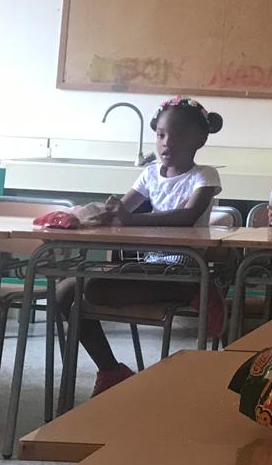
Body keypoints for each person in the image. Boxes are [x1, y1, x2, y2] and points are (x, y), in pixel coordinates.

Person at [55, 96, 224, 395]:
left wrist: (130, 218)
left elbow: (187, 216)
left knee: (93, 289)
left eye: (177, 135)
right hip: (151, 264)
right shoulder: (150, 173)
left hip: (185, 265)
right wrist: (91, 214)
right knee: (65, 292)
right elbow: (121, 211)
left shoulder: (204, 175)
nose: (166, 143)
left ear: (199, 139)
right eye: (160, 135)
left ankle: (197, 289)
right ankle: (111, 370)